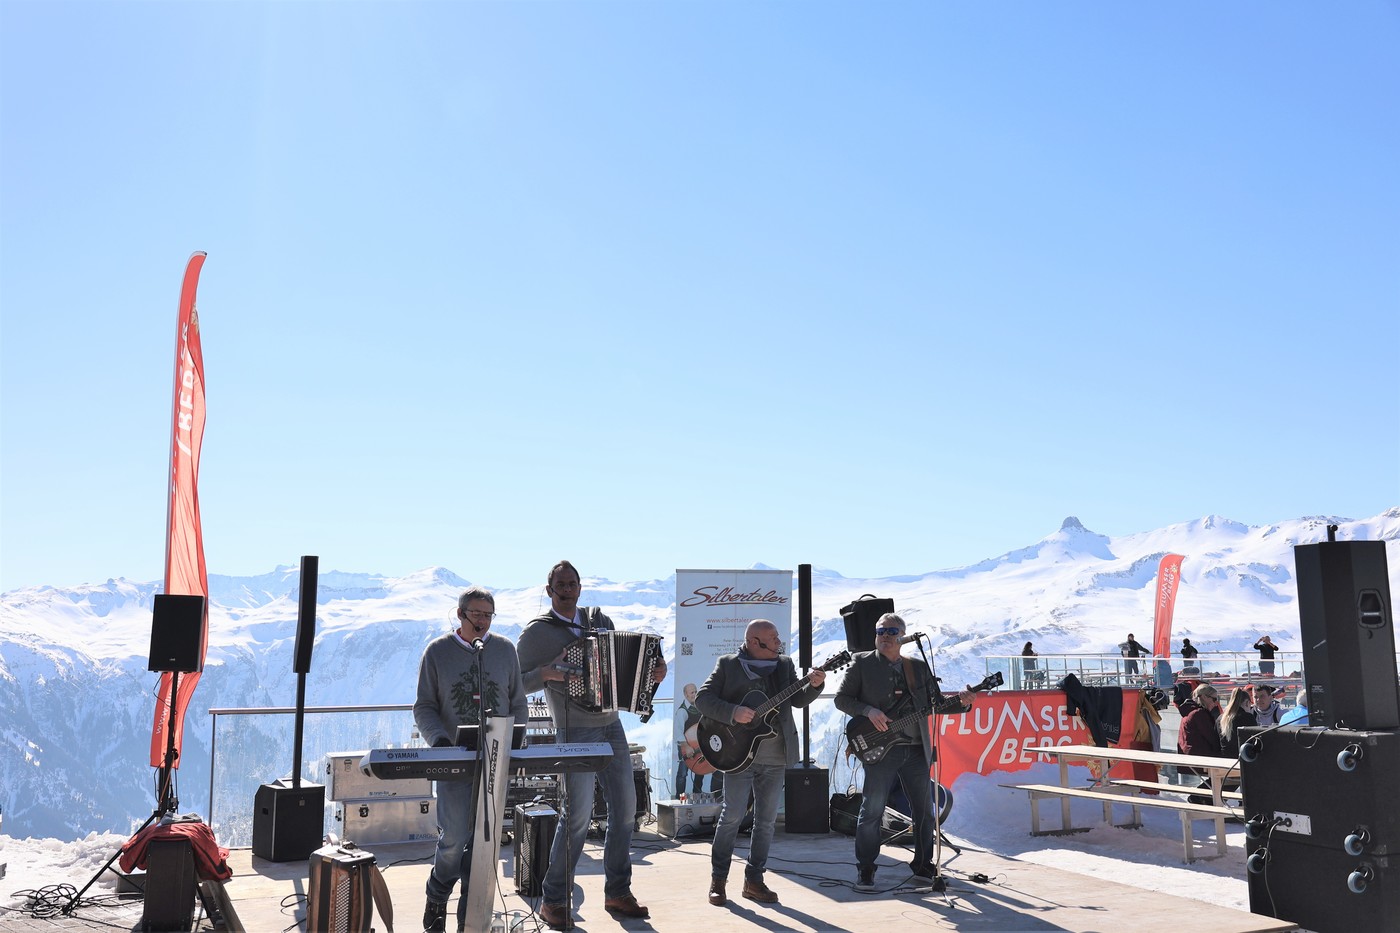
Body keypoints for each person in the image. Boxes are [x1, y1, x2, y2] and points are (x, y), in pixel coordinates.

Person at [516, 560, 666, 931]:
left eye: (573, 583)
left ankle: (618, 891)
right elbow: (514, 682)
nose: (568, 589)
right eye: (561, 584)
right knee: (578, 816)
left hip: (611, 724)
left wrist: (652, 672)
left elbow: (623, 669)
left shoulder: (600, 621)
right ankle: (553, 900)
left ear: (580, 587)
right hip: (574, 731)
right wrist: (547, 673)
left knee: (626, 810)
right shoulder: (536, 634)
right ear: (549, 590)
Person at [835, 613, 978, 894]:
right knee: (872, 809)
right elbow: (842, 699)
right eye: (880, 631)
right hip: (879, 749)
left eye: (891, 631)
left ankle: (923, 864)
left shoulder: (917, 667)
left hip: (915, 749)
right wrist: (868, 710)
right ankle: (866, 868)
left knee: (924, 810)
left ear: (902, 635)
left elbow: (936, 704)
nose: (885, 635)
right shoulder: (861, 663)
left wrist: (963, 703)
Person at [415, 587, 529, 933]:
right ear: (460, 614)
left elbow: (517, 701)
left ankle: (468, 916)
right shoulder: (437, 652)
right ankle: (437, 895)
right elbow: (424, 707)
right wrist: (439, 741)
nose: (481, 621)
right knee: (453, 839)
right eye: (475, 614)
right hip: (454, 763)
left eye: (487, 615)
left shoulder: (506, 650)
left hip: (496, 764)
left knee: (485, 842)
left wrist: (517, 738)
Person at [695, 619, 825, 907]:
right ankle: (718, 880)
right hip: (737, 755)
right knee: (731, 816)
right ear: (754, 642)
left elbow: (798, 699)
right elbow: (703, 699)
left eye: (778, 637)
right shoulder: (728, 664)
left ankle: (754, 880)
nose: (779, 642)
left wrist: (816, 685)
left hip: (776, 755)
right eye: (773, 638)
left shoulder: (784, 665)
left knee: (765, 823)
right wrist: (733, 712)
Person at [675, 682, 705, 799]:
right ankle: (679, 799)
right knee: (682, 773)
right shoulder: (682, 711)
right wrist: (686, 747)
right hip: (685, 746)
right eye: (691, 692)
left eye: (695, 691)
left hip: (699, 746)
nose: (694, 694)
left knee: (699, 772)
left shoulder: (700, 707)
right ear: (685, 695)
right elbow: (678, 732)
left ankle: (697, 798)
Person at [1218, 686, 1256, 761]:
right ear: (1247, 703)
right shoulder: (1248, 717)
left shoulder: (1220, 718)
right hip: (1243, 760)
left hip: (1224, 760)